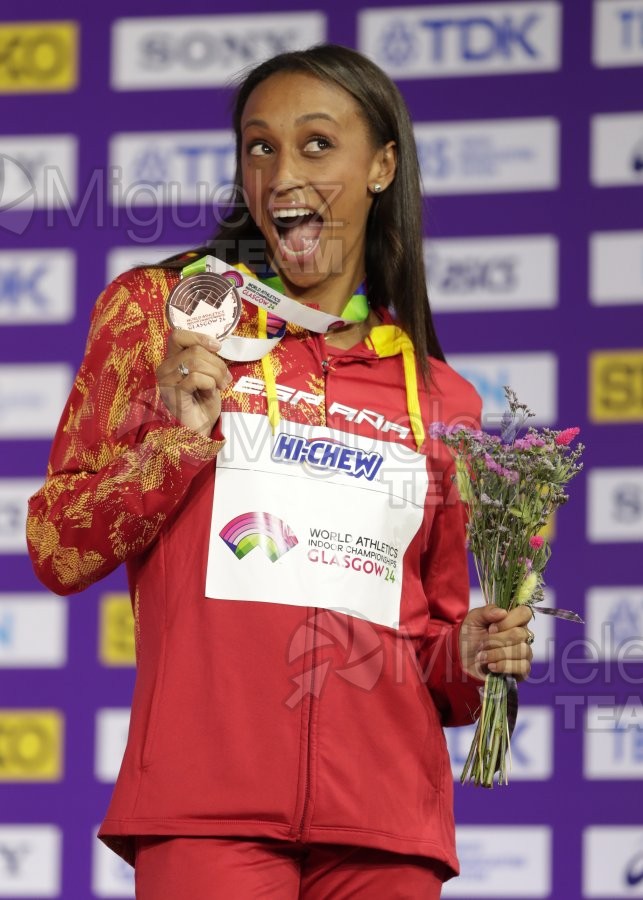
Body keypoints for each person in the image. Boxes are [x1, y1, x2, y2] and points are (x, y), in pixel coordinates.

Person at [27, 44, 533, 899]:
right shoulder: (165, 317)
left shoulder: (439, 395)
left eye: (315, 144)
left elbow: (435, 656)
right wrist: (177, 444)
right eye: (259, 147)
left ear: (381, 166)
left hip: (385, 828)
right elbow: (57, 546)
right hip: (205, 810)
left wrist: (473, 651)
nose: (282, 173)